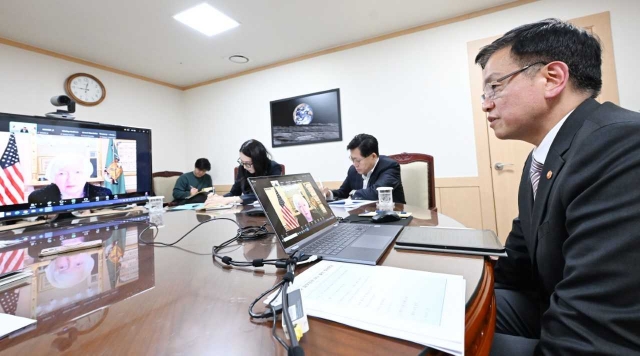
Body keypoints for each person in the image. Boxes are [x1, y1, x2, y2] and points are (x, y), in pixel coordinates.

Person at [475, 19, 640, 355]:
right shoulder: (542, 158)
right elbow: (517, 267)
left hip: (595, 336)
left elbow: (596, 333)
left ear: (552, 78)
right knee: (447, 314)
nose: (485, 104)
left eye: (495, 86)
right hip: (551, 306)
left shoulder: (621, 144)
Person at [322, 134, 405, 204]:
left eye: (358, 160)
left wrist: (353, 194)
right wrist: (329, 194)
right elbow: (343, 192)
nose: (355, 164)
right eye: (352, 159)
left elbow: (376, 193)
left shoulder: (390, 166)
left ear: (373, 156)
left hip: (391, 217)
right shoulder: (353, 170)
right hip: (362, 217)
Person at [205, 139, 282, 206]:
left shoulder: (273, 167)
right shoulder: (242, 168)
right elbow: (234, 192)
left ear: (258, 161)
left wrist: (231, 200)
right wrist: (220, 198)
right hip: (246, 212)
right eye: (242, 162)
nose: (244, 166)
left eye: (247, 163)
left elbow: (266, 195)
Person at [29, 155, 112, 205]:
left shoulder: (104, 194)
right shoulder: (37, 197)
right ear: (53, 177)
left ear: (86, 174)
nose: (71, 179)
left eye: (78, 172)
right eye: (62, 173)